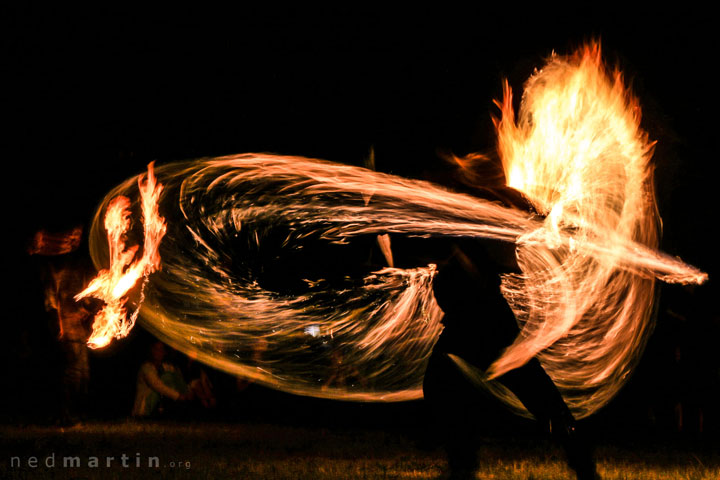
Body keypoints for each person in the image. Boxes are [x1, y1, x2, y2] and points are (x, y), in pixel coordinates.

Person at [421, 180, 599, 479]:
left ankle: (578, 455)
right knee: (443, 385)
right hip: (471, 326)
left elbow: (531, 219)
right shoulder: (461, 237)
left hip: (483, 325)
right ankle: (462, 459)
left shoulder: (478, 236)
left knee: (533, 392)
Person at [132, 341, 191, 417]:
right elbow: (157, 386)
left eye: (161, 349)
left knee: (171, 377)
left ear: (164, 352)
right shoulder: (146, 368)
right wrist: (178, 396)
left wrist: (187, 392)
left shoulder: (166, 367)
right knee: (167, 379)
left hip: (162, 401)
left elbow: (178, 379)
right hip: (145, 406)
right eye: (156, 349)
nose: (158, 352)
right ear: (151, 351)